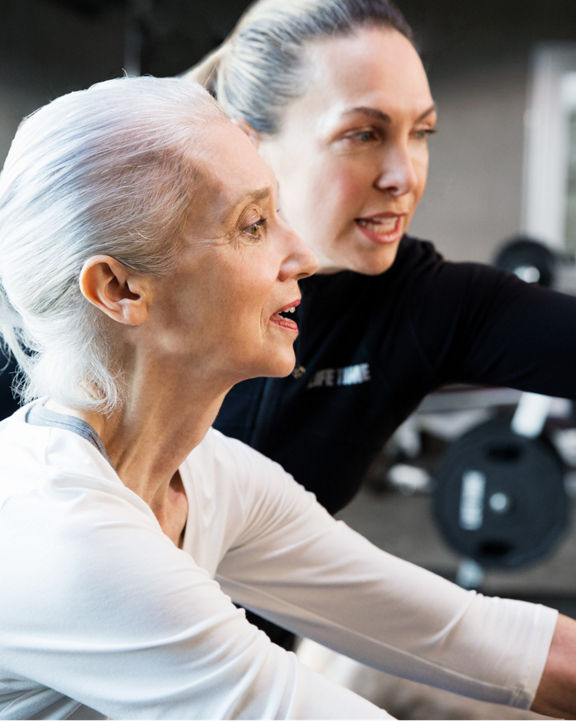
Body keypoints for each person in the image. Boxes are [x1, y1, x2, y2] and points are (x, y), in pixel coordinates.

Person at [0, 75, 575, 721]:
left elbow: (466, 636)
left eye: (279, 214)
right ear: (120, 289)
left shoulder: (209, 474)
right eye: (253, 225)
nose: (300, 253)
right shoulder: (58, 528)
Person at [186, 0, 576, 515]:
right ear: (247, 143)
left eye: (421, 133)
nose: (406, 176)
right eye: (364, 134)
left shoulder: (417, 300)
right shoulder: (143, 280)